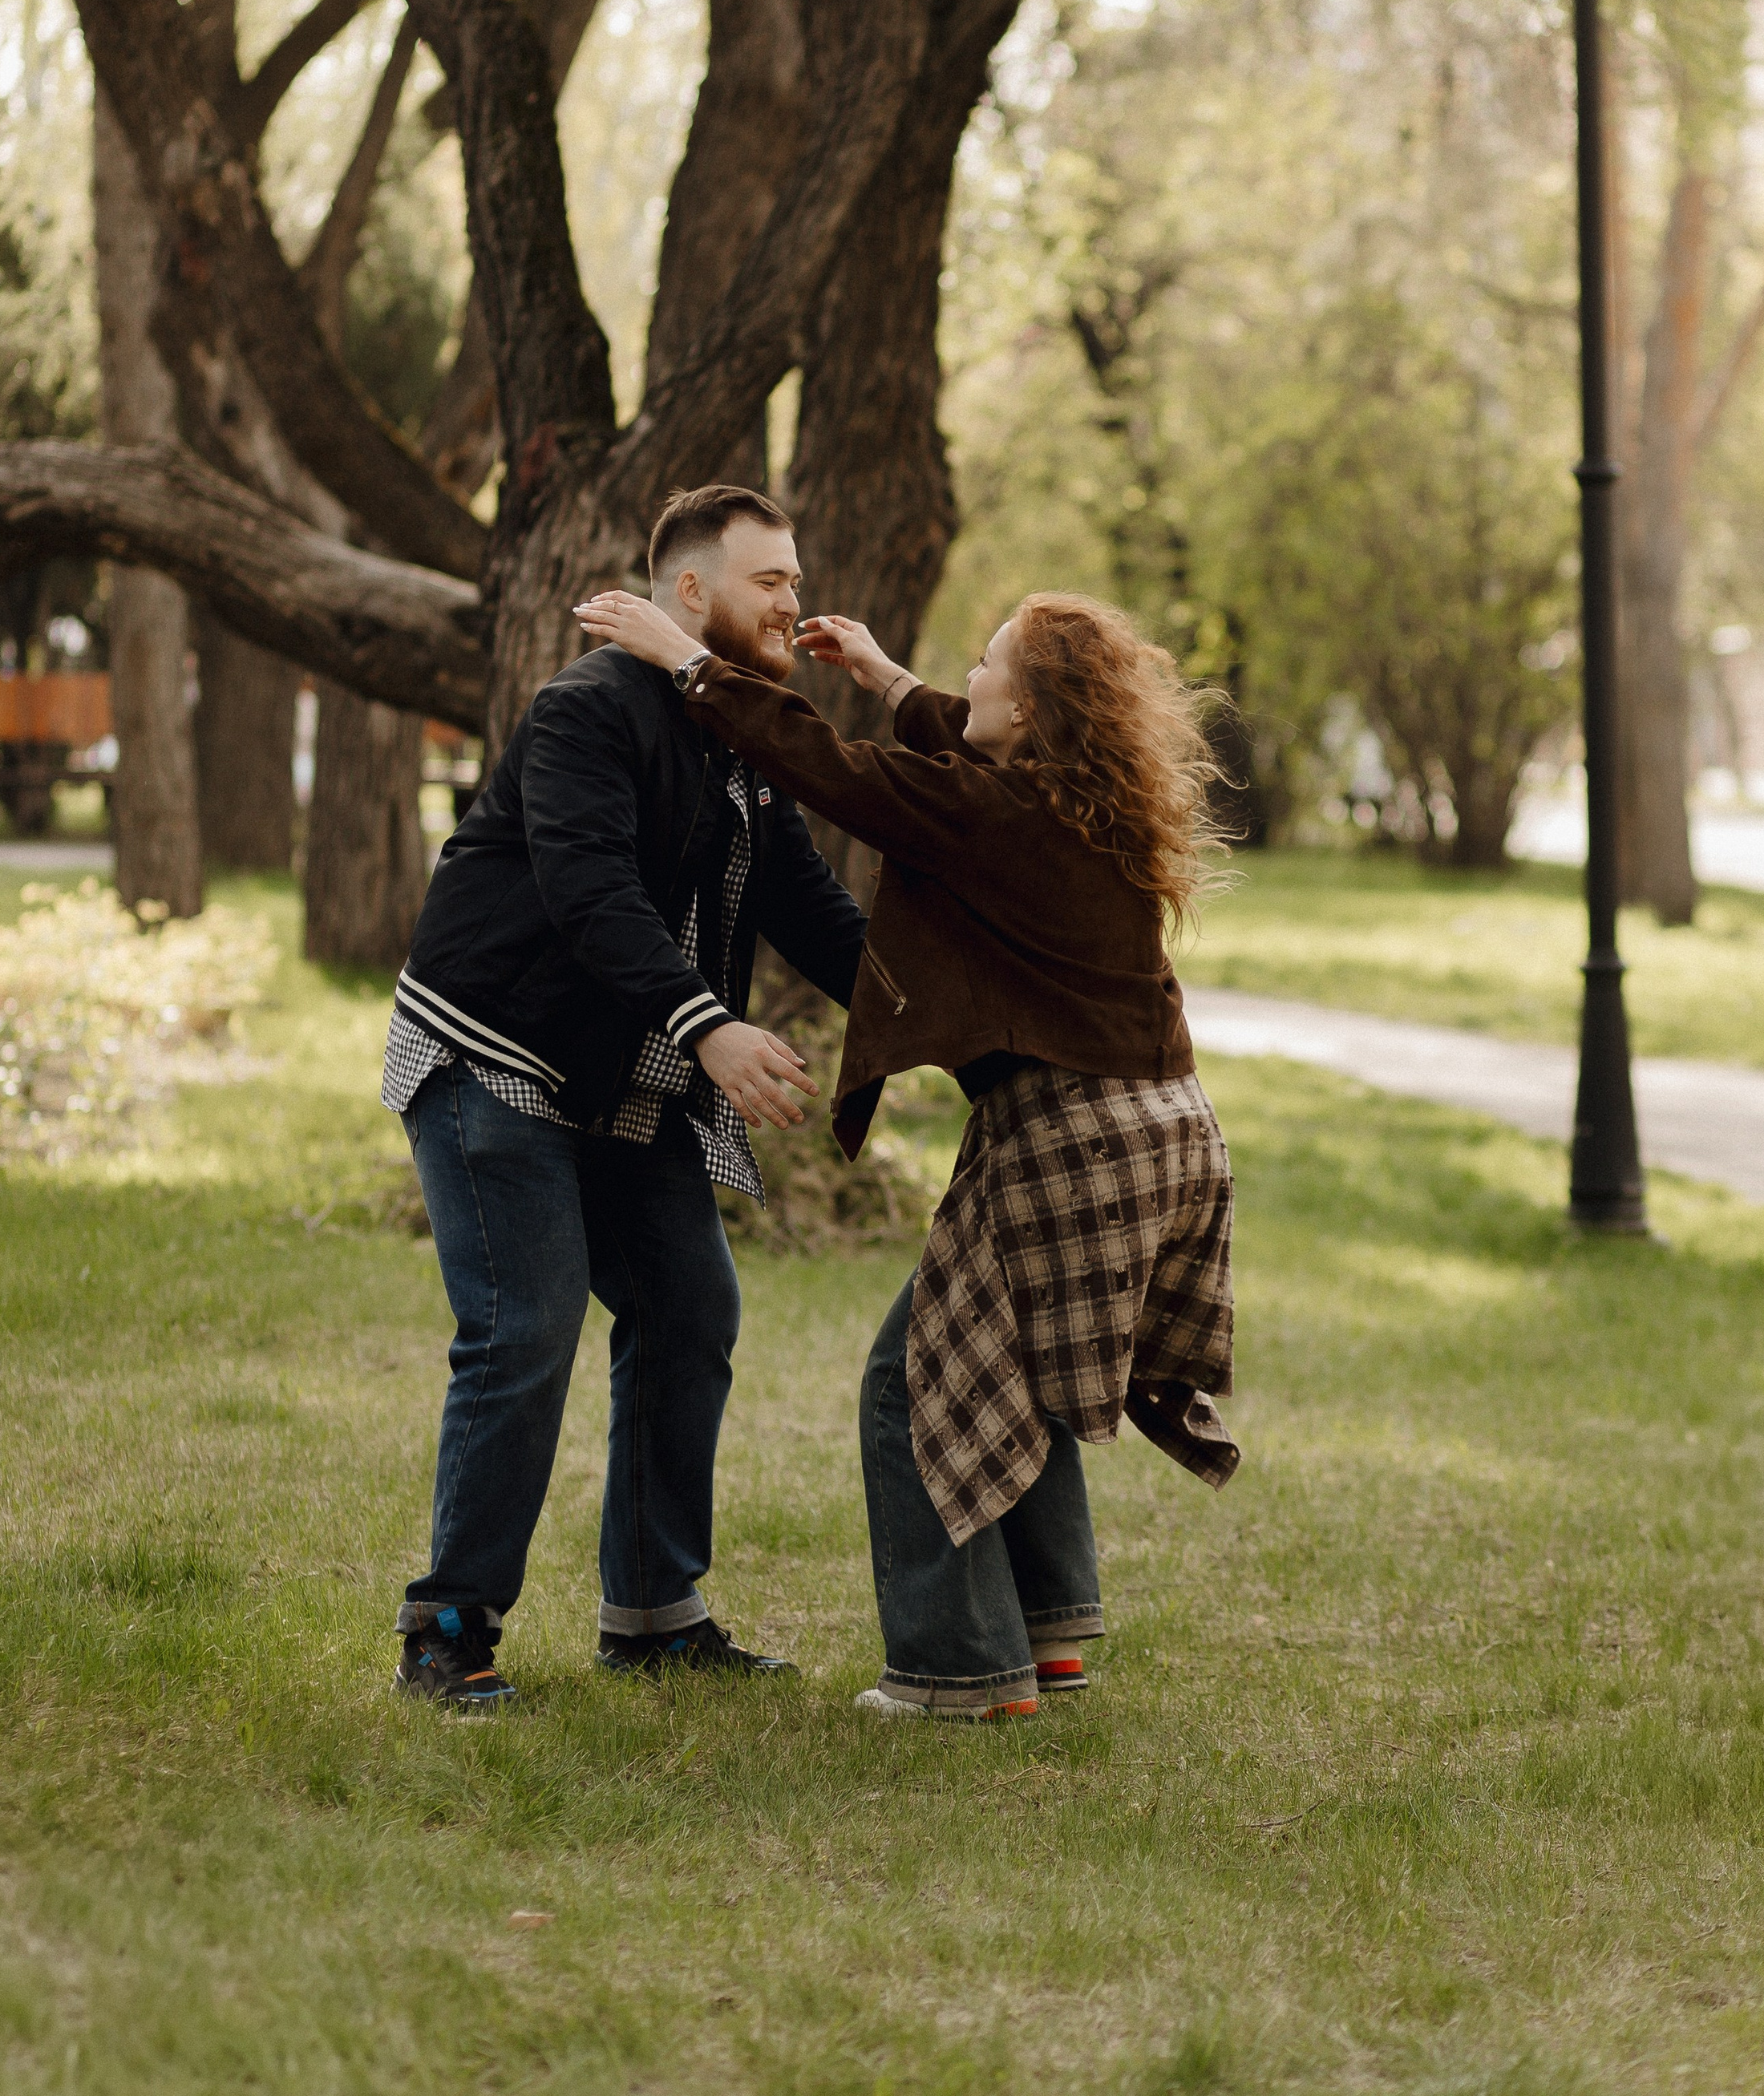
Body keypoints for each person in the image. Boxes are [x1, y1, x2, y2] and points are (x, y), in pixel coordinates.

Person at [573, 581, 1240, 1722]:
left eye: (986, 668)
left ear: (1029, 712)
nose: (969, 681)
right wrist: (885, 675)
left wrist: (687, 659)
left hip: (1076, 1135)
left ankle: (962, 1671)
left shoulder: (994, 813)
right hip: (1163, 1130)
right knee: (1014, 1367)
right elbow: (950, 752)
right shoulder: (1079, 800)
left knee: (916, 1382)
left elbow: (835, 771)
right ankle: (1048, 1634)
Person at [382, 486, 868, 1710]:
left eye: (797, 580)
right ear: (691, 593)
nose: (794, 602)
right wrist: (710, 1028)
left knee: (688, 1301)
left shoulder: (744, 736)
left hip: (622, 1071)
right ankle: (448, 1628)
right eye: (771, 582)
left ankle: (653, 1614)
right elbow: (593, 888)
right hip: (498, 1051)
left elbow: (812, 909)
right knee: (528, 1319)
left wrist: (959, 1023)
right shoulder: (588, 708)